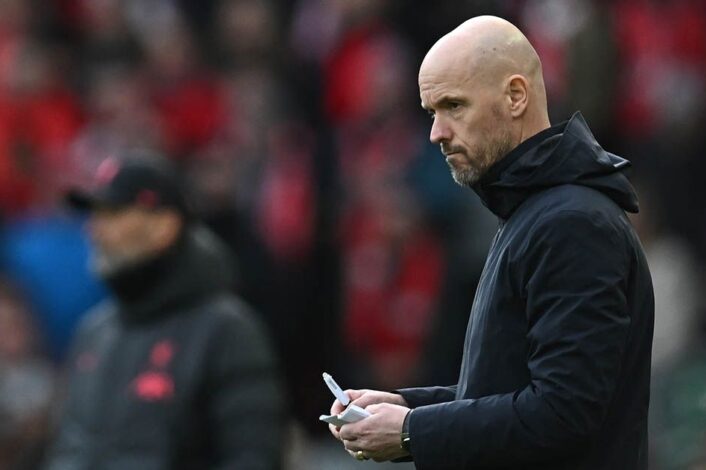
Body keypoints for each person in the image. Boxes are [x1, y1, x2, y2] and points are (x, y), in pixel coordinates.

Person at [329, 15, 654, 469]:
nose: (436, 133)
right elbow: (507, 391)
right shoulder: (535, 211)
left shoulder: (572, 223)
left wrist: (410, 432)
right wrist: (407, 407)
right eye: (432, 112)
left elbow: (563, 415)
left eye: (454, 106)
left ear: (515, 96)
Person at [46, 152, 284, 469]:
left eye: (113, 214)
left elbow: (253, 457)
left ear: (165, 227)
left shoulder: (227, 329)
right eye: (94, 215)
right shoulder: (94, 330)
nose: (94, 230)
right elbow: (69, 449)